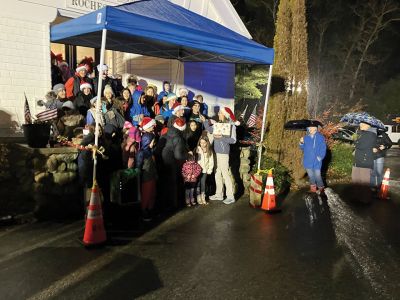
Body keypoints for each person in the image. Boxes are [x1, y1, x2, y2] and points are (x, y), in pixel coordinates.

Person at [202, 107, 238, 205]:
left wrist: (222, 138)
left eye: (220, 113)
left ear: (225, 115)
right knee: (217, 173)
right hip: (215, 152)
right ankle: (219, 194)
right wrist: (206, 121)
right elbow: (209, 129)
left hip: (223, 153)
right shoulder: (218, 125)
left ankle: (230, 196)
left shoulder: (230, 126)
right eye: (218, 113)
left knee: (225, 174)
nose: (218, 114)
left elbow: (233, 140)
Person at [162, 118, 191, 208]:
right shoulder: (178, 138)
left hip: (164, 161)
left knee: (166, 183)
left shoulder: (166, 133)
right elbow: (178, 155)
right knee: (173, 184)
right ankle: (174, 205)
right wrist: (187, 155)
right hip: (172, 162)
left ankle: (165, 203)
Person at [299, 122, 327, 194]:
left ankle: (321, 190)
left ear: (316, 129)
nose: (311, 130)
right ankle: (313, 189)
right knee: (311, 176)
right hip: (307, 160)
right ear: (308, 129)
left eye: (313, 128)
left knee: (318, 176)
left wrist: (320, 157)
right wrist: (301, 142)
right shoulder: (305, 137)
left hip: (316, 161)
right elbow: (302, 148)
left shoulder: (320, 137)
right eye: (310, 128)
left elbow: (323, 148)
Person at [352, 122, 377, 199]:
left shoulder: (370, 134)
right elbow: (357, 143)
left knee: (364, 182)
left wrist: (355, 141)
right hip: (358, 160)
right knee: (356, 180)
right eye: (360, 124)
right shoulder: (362, 133)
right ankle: (357, 197)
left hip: (365, 161)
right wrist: (356, 139)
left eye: (362, 124)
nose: (360, 125)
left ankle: (365, 199)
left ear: (368, 125)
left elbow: (362, 145)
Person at [136, 133, 158, 221]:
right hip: (146, 177)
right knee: (146, 195)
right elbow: (138, 166)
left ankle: (149, 210)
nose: (153, 143)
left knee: (152, 194)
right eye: (152, 141)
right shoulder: (141, 153)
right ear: (147, 141)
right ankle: (144, 212)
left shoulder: (150, 151)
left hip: (151, 176)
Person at [196, 135, 214, 205]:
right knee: (198, 183)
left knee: (203, 183)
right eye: (201, 143)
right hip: (197, 170)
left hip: (205, 170)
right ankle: (198, 197)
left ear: (207, 142)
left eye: (204, 143)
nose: (202, 144)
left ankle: (203, 197)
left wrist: (210, 169)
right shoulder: (197, 149)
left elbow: (211, 161)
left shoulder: (209, 150)